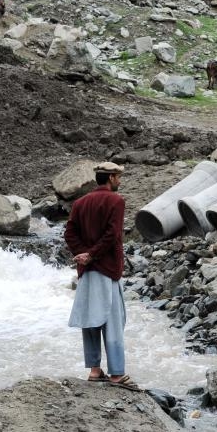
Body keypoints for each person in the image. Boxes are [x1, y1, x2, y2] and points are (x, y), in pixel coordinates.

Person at [65, 162, 140, 391]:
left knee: (90, 320)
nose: (120, 181)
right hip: (106, 268)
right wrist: (93, 255)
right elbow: (112, 236)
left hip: (87, 271)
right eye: (118, 177)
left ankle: (95, 370)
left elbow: (69, 233)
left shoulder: (80, 202)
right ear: (111, 178)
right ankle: (117, 374)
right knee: (113, 321)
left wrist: (82, 254)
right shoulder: (116, 201)